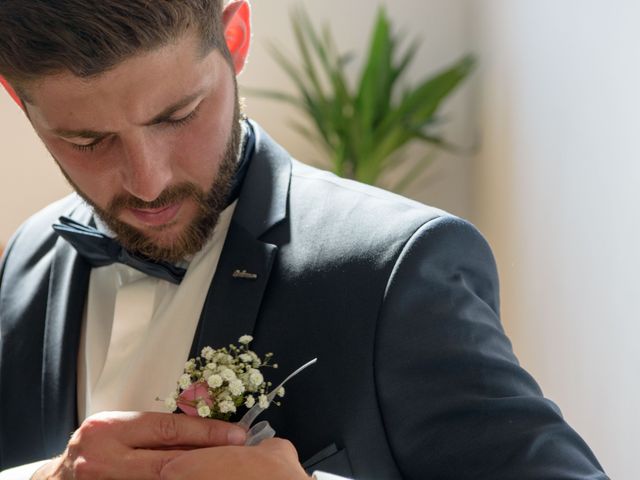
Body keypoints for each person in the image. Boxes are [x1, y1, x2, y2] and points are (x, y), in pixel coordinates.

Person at [0, 1, 608, 479]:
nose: (148, 180)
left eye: (177, 115)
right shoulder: (27, 259)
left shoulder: (393, 269)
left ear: (234, 37)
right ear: (15, 98)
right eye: (87, 141)